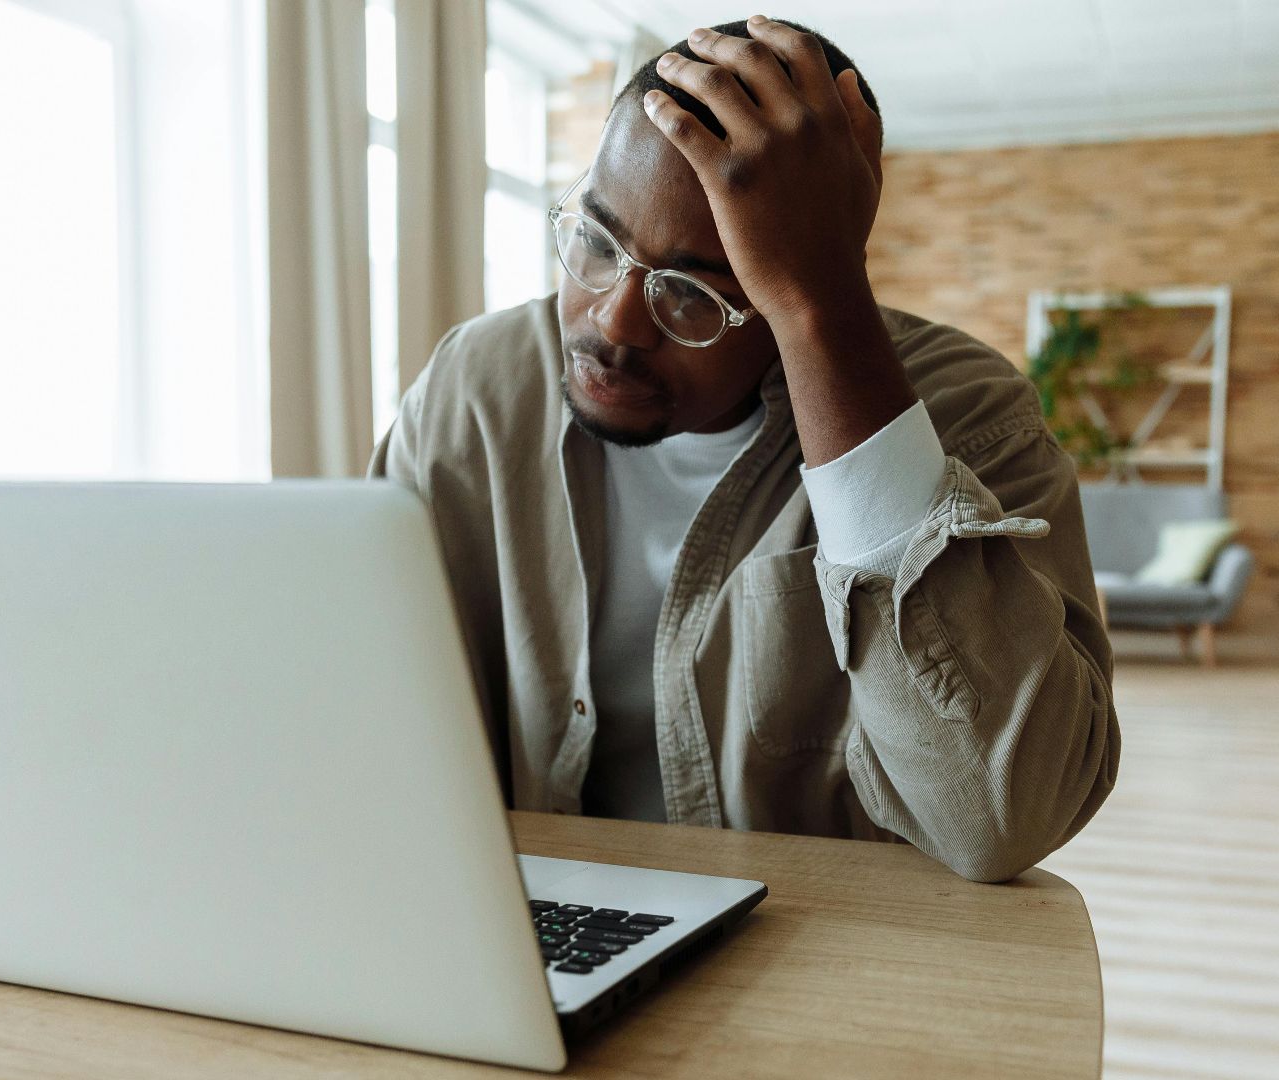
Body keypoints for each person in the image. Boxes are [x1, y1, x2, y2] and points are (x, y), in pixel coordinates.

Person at [370, 15, 1118, 883]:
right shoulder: (479, 387)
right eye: (595, 241)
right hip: (519, 924)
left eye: (691, 293)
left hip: (823, 960)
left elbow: (1006, 818)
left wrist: (824, 311)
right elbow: (355, 686)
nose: (612, 320)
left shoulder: (967, 415)